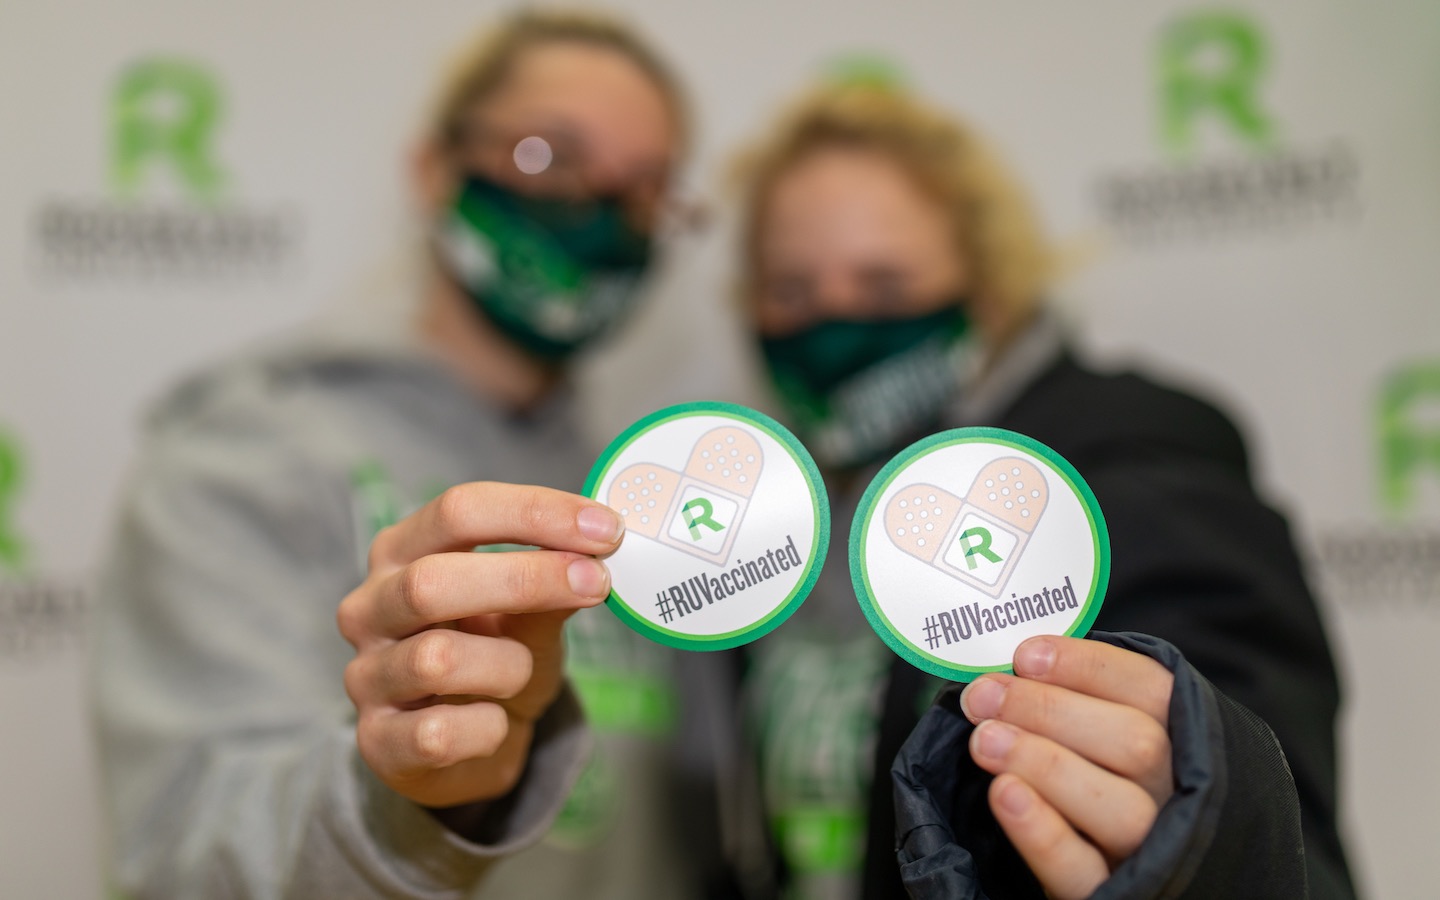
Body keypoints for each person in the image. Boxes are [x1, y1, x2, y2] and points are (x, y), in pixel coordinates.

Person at [90, 9, 701, 898]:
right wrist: (413, 801)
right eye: (547, 157)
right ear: (433, 169)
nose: (597, 212)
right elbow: (183, 852)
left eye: (643, 188)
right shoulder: (243, 451)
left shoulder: (651, 488)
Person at [729, 82, 1357, 898]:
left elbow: (1263, 800)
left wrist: (1199, 833)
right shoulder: (789, 527)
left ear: (988, 284)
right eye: (792, 292)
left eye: (884, 288)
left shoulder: (1130, 468)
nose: (835, 324)